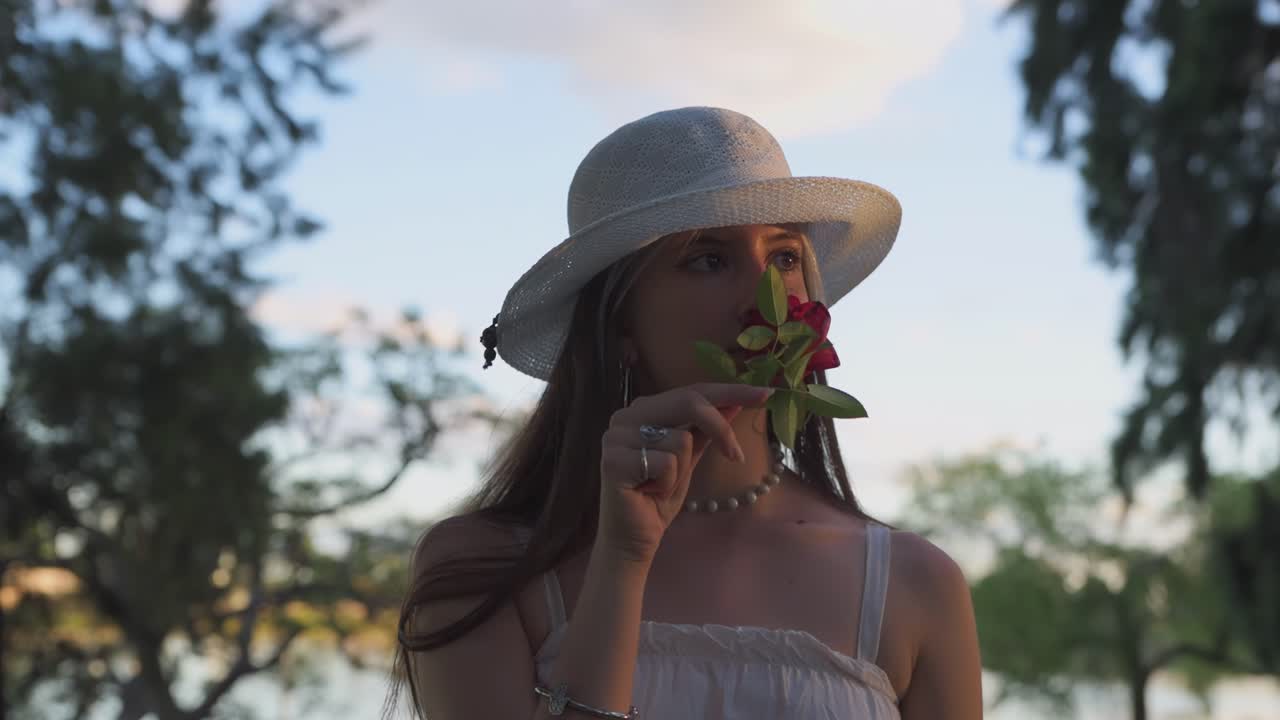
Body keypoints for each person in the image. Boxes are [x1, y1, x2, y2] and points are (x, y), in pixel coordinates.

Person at [388, 106, 983, 719]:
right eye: (708, 259)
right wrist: (621, 563)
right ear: (619, 323)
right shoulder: (482, 571)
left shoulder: (915, 583)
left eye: (783, 258)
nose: (763, 294)